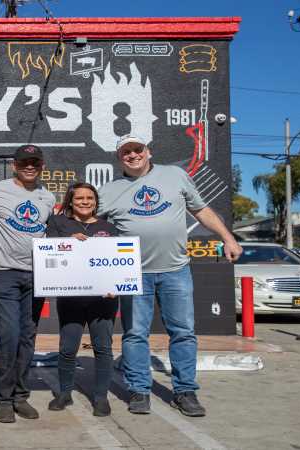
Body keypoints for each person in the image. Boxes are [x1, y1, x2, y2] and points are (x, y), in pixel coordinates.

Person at [98, 135, 242, 417]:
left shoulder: (175, 175)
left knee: (183, 332)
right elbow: (92, 225)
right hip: (132, 274)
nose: (133, 155)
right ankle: (139, 390)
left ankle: (185, 391)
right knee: (135, 334)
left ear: (148, 152)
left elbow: (200, 210)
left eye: (137, 150)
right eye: (126, 152)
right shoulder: (109, 190)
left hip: (175, 270)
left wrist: (228, 238)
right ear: (119, 158)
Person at [0, 144, 56, 424]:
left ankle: (21, 396)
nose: (29, 166)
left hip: (36, 276)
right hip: (3, 273)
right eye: (24, 162)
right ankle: (4, 399)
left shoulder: (47, 196)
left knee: (27, 336)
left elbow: (50, 232)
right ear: (15, 165)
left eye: (35, 162)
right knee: (8, 335)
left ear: (42, 165)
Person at [45, 182, 119, 417]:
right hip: (71, 298)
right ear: (70, 201)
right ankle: (64, 393)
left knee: (103, 349)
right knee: (67, 349)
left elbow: (118, 261)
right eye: (79, 198)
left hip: (103, 300)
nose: (85, 202)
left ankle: (100, 397)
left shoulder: (109, 227)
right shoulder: (58, 223)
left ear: (96, 201)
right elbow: (49, 251)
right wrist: (68, 240)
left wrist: (116, 285)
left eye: (90, 198)